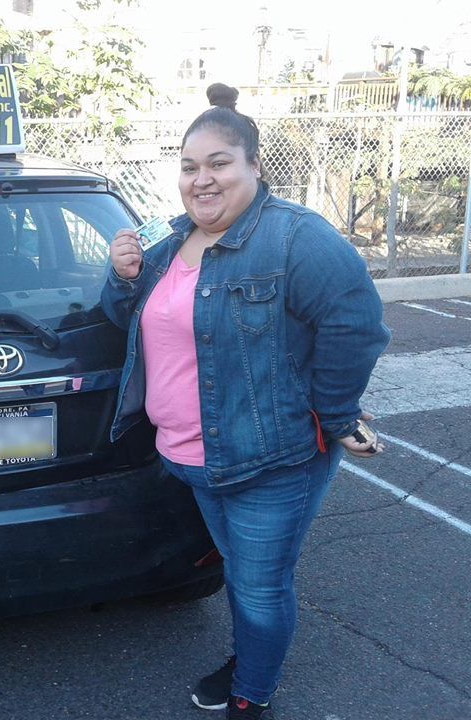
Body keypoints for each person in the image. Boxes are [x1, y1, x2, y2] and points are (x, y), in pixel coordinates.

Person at [101, 83, 390, 720]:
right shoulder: (169, 239)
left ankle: (251, 691)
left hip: (270, 457)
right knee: (239, 571)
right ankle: (251, 658)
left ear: (254, 167)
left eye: (219, 163)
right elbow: (130, 319)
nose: (201, 180)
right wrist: (121, 279)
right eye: (188, 166)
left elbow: (357, 324)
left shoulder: (294, 238)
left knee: (259, 587)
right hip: (192, 453)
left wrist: (335, 413)